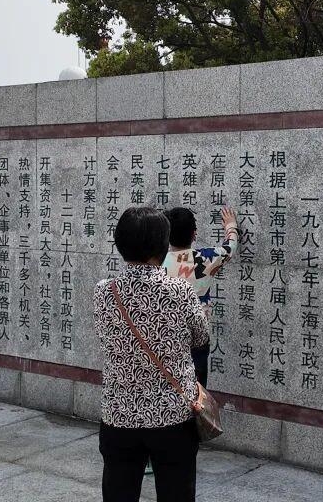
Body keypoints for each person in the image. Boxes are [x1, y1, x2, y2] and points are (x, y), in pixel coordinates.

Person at [94, 206, 209, 502]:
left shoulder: (104, 291)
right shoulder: (180, 291)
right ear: (161, 246)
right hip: (172, 416)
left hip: (119, 415)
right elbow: (201, 338)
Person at [163, 207, 238, 387]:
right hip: (197, 342)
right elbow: (230, 247)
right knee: (196, 395)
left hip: (165, 340)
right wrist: (231, 227)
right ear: (194, 234)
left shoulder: (158, 263)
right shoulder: (203, 259)